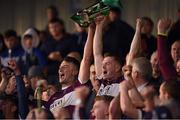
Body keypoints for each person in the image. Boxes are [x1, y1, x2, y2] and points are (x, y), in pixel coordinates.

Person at [43, 24, 95, 117]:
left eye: (65, 67)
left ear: (75, 71)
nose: (60, 70)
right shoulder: (53, 97)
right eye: (59, 68)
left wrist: (90, 29)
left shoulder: (79, 85)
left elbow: (86, 58)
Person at [93, 16, 124, 97]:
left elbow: (133, 54)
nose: (102, 66)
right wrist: (98, 26)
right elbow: (97, 53)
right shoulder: (102, 80)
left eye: (107, 64)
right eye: (103, 64)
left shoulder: (124, 82)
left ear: (117, 67)